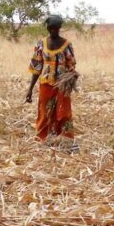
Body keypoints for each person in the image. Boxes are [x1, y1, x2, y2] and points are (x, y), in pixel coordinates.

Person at [25, 14, 78, 151]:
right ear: (47, 28)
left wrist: (72, 76)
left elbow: (71, 64)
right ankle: (43, 138)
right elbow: (36, 66)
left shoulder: (67, 44)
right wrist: (30, 89)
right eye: (51, 28)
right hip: (46, 84)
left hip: (62, 85)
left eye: (56, 28)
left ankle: (66, 139)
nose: (53, 30)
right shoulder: (41, 44)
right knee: (44, 111)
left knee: (63, 112)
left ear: (59, 28)